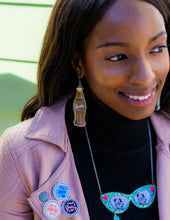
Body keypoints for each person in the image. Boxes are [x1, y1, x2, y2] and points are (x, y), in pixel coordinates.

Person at [0, 0, 170, 219]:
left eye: (157, 49)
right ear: (78, 62)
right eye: (118, 57)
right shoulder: (23, 154)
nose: (145, 76)